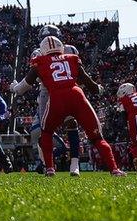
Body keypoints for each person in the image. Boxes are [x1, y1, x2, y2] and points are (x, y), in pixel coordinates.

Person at [12, 36, 124, 177]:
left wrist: (13, 88)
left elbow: (22, 88)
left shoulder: (39, 62)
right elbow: (88, 82)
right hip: (76, 95)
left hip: (56, 98)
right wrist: (99, 89)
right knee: (97, 137)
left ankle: (50, 169)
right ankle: (114, 169)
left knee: (46, 132)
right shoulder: (72, 58)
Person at [29, 25, 83, 176]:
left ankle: (74, 164)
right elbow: (36, 77)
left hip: (66, 89)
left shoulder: (70, 51)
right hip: (48, 92)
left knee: (71, 124)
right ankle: (47, 164)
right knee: (45, 130)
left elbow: (79, 72)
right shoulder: (38, 53)